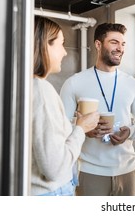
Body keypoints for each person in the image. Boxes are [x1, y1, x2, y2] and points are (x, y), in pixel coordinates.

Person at [60, 23, 135, 196]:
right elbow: (61, 125)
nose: (120, 48)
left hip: (128, 171)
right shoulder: (74, 82)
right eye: (114, 42)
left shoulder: (132, 84)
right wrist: (83, 129)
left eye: (123, 44)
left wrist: (129, 131)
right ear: (98, 44)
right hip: (90, 172)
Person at [31, 16, 99, 196]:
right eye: (61, 44)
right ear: (45, 45)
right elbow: (54, 168)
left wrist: (72, 127)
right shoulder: (41, 90)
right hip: (50, 193)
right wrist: (80, 129)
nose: (65, 52)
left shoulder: (21, 86)